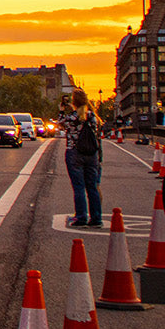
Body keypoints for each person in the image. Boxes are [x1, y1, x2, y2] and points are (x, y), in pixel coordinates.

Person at [60, 90, 103, 227]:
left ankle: (81, 217)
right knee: (92, 187)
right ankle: (96, 218)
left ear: (73, 102)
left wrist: (61, 110)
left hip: (75, 152)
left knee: (78, 187)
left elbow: (60, 123)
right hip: (92, 154)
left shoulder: (72, 118)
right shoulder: (93, 117)